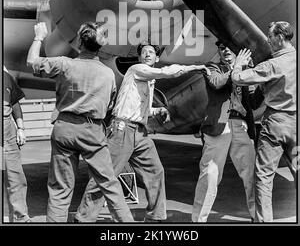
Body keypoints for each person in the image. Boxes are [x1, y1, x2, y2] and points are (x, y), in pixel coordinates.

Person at [75, 41, 210, 222]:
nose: (147, 54)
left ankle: (156, 217)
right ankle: (83, 218)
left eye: (151, 52)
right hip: (121, 129)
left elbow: (140, 109)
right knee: (106, 175)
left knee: (156, 171)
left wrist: (157, 111)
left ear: (157, 57)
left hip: (139, 132)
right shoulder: (137, 70)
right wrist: (195, 67)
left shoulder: (149, 80)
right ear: (139, 58)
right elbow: (166, 72)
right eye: (144, 52)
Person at [26, 21, 134, 222]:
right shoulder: (108, 74)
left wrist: (39, 37)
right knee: (109, 184)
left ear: (79, 42)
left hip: (64, 128)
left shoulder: (64, 64)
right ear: (100, 46)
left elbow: (32, 62)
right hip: (92, 130)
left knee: (60, 189)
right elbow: (110, 105)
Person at [231, 21, 296, 222]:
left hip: (276, 124)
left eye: (270, 36)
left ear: (280, 37)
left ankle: (264, 221)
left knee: (264, 176)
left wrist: (238, 65)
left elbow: (238, 78)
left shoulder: (273, 65)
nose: (267, 40)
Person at [192, 40, 258, 223]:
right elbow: (216, 83)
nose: (226, 50)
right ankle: (198, 221)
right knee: (210, 175)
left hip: (240, 125)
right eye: (222, 48)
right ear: (219, 52)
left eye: (230, 47)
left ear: (238, 52)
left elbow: (254, 101)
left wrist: (262, 77)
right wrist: (236, 68)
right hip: (218, 126)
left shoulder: (246, 71)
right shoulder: (212, 67)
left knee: (251, 174)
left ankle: (258, 217)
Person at [3, 67, 30, 223]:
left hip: (8, 133)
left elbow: (14, 103)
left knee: (16, 178)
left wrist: (21, 128)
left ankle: (21, 218)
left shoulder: (6, 76)